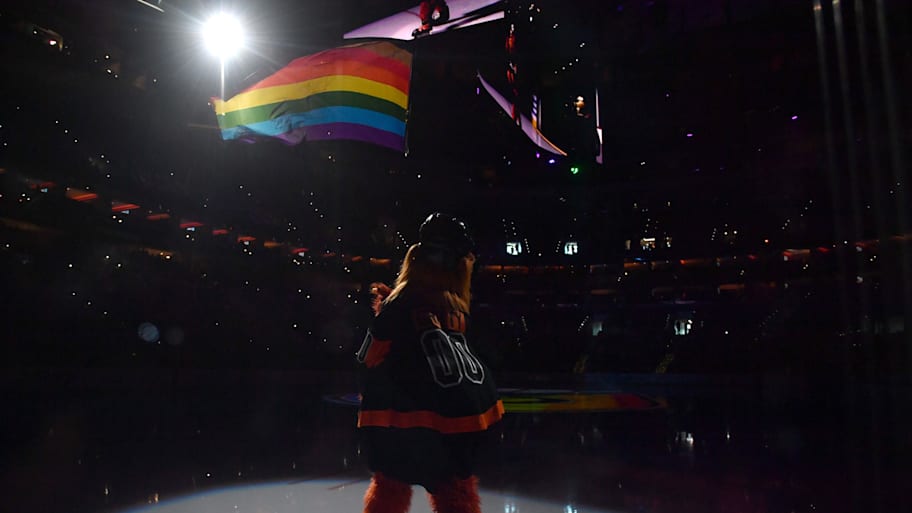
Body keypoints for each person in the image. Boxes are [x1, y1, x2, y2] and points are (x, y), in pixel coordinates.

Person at [356, 213, 504, 513]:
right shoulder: (457, 308)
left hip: (404, 421)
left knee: (391, 484)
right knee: (454, 488)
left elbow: (369, 357)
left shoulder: (400, 304)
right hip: (459, 416)